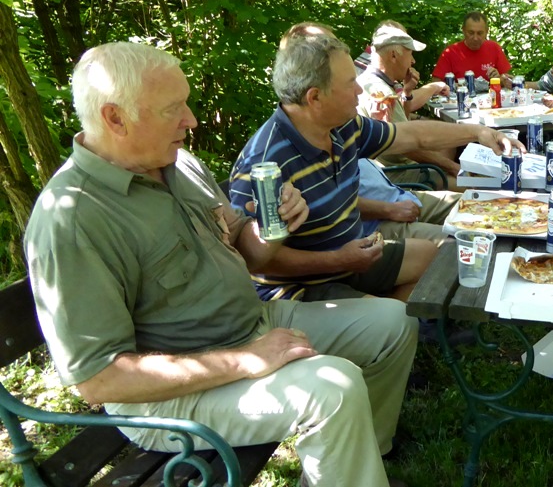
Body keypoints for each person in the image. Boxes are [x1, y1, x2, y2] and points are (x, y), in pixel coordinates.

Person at [24, 41, 417, 487]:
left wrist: (275, 225)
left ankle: (363, 463)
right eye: (174, 109)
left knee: (393, 321)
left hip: (251, 323)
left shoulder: (179, 164)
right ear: (115, 118)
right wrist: (245, 361)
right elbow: (97, 380)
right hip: (170, 396)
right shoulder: (73, 219)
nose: (190, 120)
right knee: (334, 387)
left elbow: (247, 252)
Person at [229, 23, 522, 303]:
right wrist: (337, 260)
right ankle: (390, 315)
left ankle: (399, 312)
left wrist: (479, 132)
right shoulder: (264, 161)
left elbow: (410, 136)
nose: (359, 91)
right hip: (307, 284)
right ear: (315, 97)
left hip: (355, 254)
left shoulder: (342, 126)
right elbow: (253, 260)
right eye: (349, 84)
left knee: (444, 255)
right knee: (394, 317)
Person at [358, 22, 459, 189]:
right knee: (476, 186)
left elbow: (400, 127)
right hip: (395, 176)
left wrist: (407, 91)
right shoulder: (380, 91)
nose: (412, 61)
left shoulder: (369, 81)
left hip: (387, 171)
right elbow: (406, 144)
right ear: (393, 55)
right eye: (410, 54)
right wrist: (452, 166)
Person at [359, 158, 461, 245]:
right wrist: (390, 209)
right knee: (459, 241)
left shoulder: (348, 137)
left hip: (398, 196)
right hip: (375, 222)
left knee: (471, 203)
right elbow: (344, 207)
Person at [432, 11, 513, 89]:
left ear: (486, 32)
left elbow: (508, 82)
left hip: (490, 100)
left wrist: (499, 79)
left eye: (480, 33)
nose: (475, 38)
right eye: (471, 33)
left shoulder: (494, 48)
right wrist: (454, 86)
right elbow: (435, 83)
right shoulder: (450, 52)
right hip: (460, 100)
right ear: (463, 30)